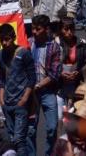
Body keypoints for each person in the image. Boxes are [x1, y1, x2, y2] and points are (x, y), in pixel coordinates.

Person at [0, 23, 36, 156]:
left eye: (7, 39)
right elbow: (2, 79)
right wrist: (1, 100)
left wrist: (24, 99)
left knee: (19, 139)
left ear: (13, 37)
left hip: (20, 103)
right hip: (7, 103)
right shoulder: (0, 56)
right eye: (2, 40)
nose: (5, 43)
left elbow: (32, 79)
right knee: (11, 138)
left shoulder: (24, 53)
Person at [28, 14, 62, 156]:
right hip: (32, 93)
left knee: (52, 128)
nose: (34, 32)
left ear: (46, 29)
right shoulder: (29, 43)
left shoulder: (54, 47)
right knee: (31, 130)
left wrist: (38, 85)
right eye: (33, 29)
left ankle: (49, 153)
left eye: (38, 29)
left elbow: (54, 74)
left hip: (47, 92)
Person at [57, 18, 86, 114]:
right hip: (60, 85)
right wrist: (61, 73)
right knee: (60, 118)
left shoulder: (82, 43)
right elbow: (51, 64)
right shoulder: (56, 44)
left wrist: (78, 72)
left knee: (72, 118)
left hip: (76, 85)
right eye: (66, 29)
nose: (69, 32)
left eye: (72, 29)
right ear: (60, 30)